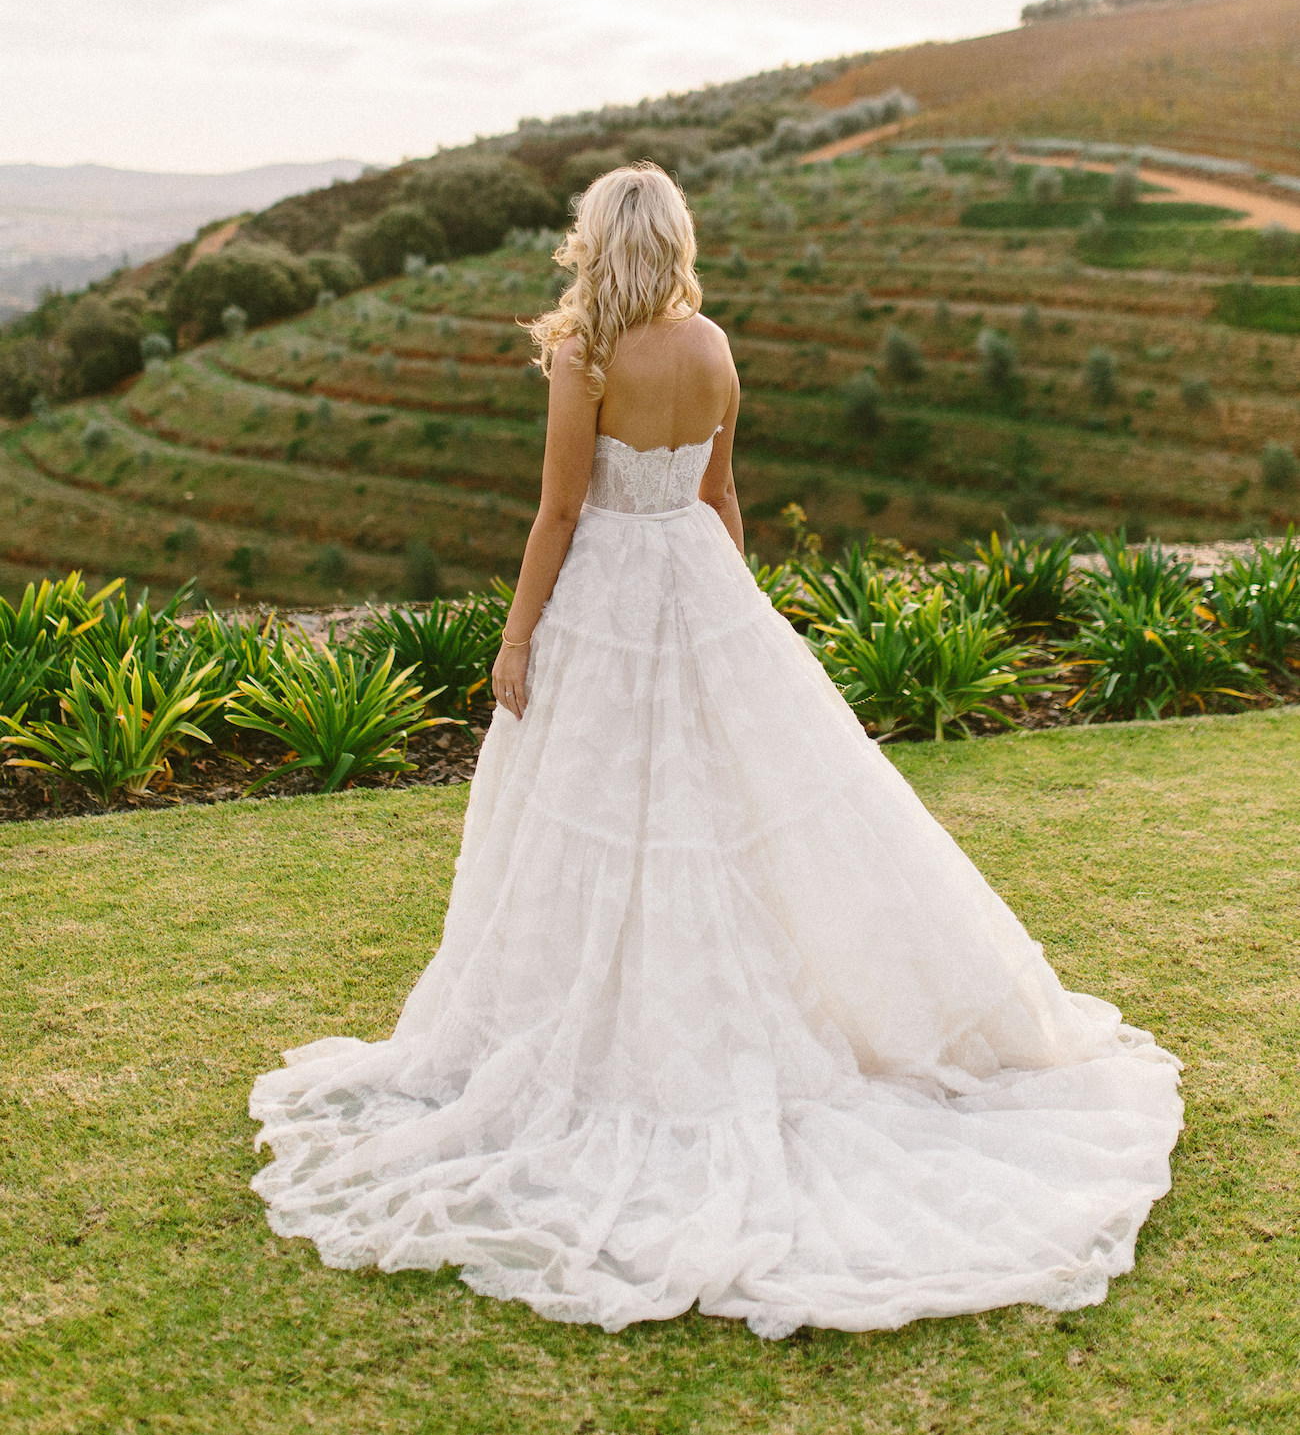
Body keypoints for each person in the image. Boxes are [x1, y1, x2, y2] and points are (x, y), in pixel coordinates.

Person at [250, 163, 1182, 1339]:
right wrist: (733, 621)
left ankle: (608, 1044)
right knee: (734, 810)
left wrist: (515, 636)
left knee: (599, 820)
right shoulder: (714, 346)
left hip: (608, 595)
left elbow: (557, 511)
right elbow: (722, 497)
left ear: (598, 240)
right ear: (677, 238)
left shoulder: (585, 351)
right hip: (700, 577)